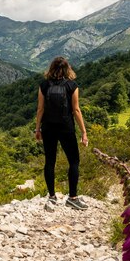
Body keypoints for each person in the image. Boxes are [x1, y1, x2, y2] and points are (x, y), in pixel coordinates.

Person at [35, 56, 89, 210]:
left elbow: (40, 109)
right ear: (68, 69)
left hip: (48, 127)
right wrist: (84, 132)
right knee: (73, 161)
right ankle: (72, 198)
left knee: (50, 161)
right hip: (66, 127)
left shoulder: (44, 85)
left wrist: (37, 129)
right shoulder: (72, 85)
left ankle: (51, 197)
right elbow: (76, 110)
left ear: (51, 69)